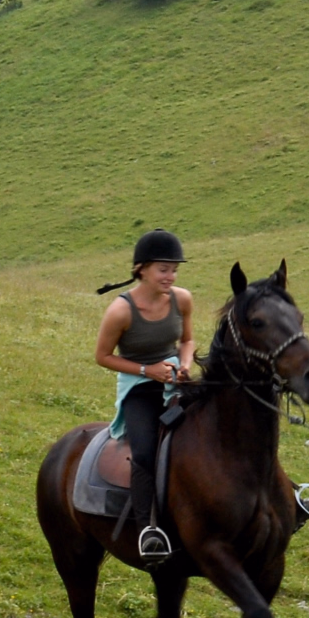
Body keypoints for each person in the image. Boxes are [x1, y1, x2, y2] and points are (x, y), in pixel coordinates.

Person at [93, 228, 197, 564]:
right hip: (139, 387)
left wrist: (184, 364)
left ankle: (289, 496)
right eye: (163, 269)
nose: (171, 276)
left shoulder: (182, 299)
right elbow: (103, 357)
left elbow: (187, 340)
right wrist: (146, 370)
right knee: (145, 450)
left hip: (175, 378)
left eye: (174, 269)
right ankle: (148, 530)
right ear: (142, 269)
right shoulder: (120, 312)